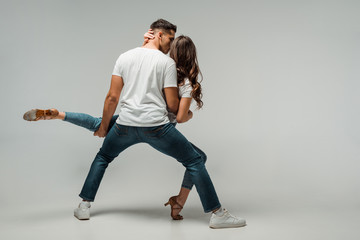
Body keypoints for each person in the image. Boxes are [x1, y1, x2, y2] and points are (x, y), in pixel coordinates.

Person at [23, 19, 246, 229]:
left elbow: (112, 97)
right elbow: (171, 106)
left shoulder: (124, 57)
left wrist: (103, 128)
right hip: (157, 128)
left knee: (103, 154)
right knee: (195, 160)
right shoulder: (167, 63)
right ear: (159, 35)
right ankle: (217, 214)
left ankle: (83, 206)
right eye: (169, 39)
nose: (171, 45)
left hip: (126, 125)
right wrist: (186, 112)